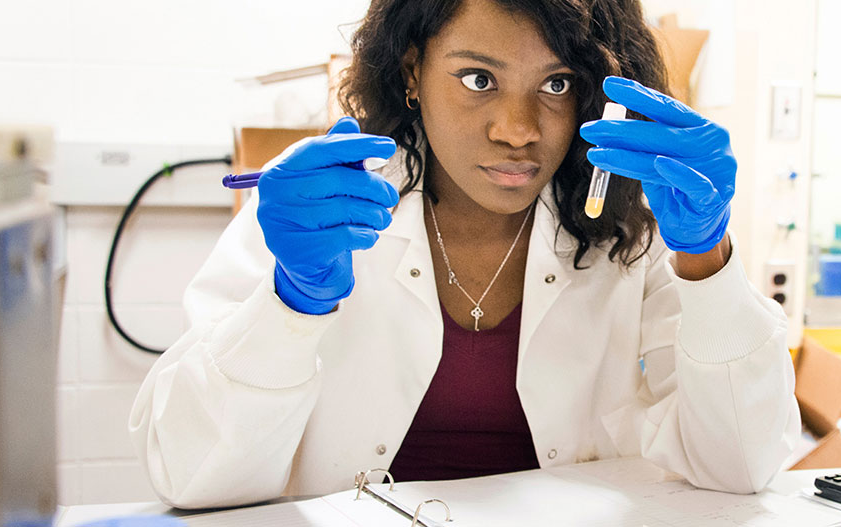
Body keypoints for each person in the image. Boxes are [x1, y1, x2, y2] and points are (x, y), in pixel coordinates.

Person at [129, 0, 800, 509]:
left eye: (557, 85)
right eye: (478, 78)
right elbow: (188, 474)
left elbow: (739, 466)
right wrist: (291, 301)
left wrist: (708, 259)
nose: (517, 129)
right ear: (411, 70)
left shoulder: (631, 236)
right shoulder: (320, 215)